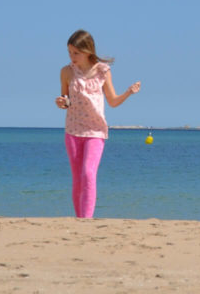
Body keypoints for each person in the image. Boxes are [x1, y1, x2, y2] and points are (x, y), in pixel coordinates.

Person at [54, 29, 141, 218]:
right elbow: (66, 99)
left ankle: (87, 220)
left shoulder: (102, 70)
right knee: (77, 179)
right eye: (69, 52)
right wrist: (62, 102)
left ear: (88, 51)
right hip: (73, 132)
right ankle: (79, 219)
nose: (72, 57)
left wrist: (128, 92)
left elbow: (112, 101)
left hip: (96, 132)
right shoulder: (66, 72)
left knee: (88, 174)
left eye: (76, 53)